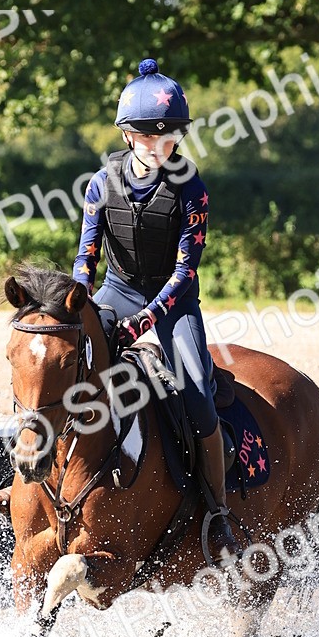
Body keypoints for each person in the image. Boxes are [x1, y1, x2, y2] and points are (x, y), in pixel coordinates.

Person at [71, 57, 240, 560]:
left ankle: (217, 513)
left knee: (196, 395)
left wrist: (149, 319)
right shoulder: (101, 185)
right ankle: (28, 481)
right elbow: (86, 258)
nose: (158, 146)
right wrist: (78, 301)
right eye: (147, 136)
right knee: (61, 361)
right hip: (117, 291)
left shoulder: (193, 190)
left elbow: (186, 271)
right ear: (128, 136)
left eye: (168, 137)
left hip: (175, 303)